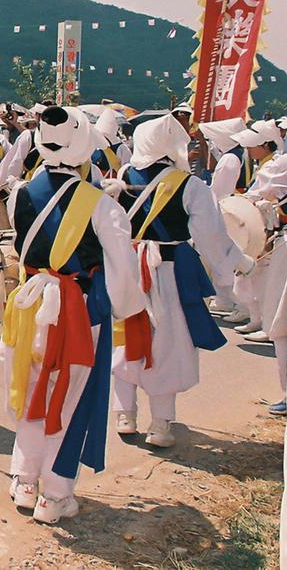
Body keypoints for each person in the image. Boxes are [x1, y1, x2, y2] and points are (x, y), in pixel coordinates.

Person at [0, 106, 145, 524]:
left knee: (31, 391)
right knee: (71, 396)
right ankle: (56, 493)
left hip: (30, 306)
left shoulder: (20, 194)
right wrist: (128, 307)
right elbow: (122, 269)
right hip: (79, 311)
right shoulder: (102, 205)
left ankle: (25, 481)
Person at [108, 115, 252, 448]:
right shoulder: (190, 185)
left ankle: (124, 414)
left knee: (126, 339)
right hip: (170, 273)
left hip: (130, 269)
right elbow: (211, 237)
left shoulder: (122, 176)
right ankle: (160, 424)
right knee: (167, 345)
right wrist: (236, 265)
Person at [228, 120, 287, 340]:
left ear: (265, 145)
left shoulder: (275, 165)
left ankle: (267, 321)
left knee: (268, 279)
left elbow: (260, 196)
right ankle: (258, 319)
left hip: (272, 229)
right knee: (257, 277)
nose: (248, 149)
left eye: (252, 145)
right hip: (263, 227)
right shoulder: (264, 164)